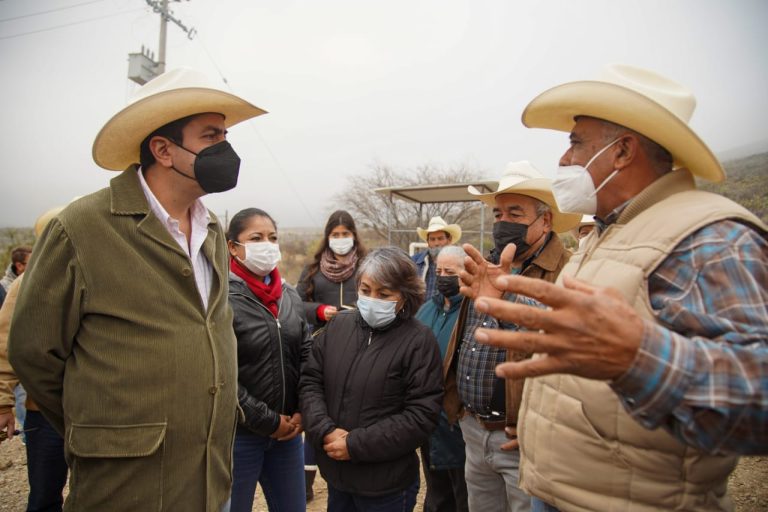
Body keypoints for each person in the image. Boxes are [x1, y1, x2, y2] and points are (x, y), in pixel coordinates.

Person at [469, 64, 768, 511]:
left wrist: (638, 357)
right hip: (558, 492)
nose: (564, 162)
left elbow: (758, 397)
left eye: (574, 143)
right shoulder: (608, 236)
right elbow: (585, 347)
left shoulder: (712, 238)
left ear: (623, 150)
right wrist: (503, 305)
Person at [8, 67, 266, 511]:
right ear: (163, 149)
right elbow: (35, 353)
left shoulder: (211, 230)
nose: (226, 149)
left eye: (225, 135)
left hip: (210, 480)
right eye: (211, 137)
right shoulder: (82, 228)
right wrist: (105, 430)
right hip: (127, 487)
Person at [443, 161, 579, 512]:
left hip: (524, 440)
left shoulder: (569, 271)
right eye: (499, 214)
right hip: (474, 430)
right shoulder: (485, 265)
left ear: (545, 221)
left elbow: (569, 348)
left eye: (515, 213)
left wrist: (538, 422)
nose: (503, 222)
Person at [300, 247, 444, 512]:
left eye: (384, 294)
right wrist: (325, 430)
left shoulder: (418, 341)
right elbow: (311, 382)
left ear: (404, 297)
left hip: (386, 484)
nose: (372, 299)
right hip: (337, 474)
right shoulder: (339, 326)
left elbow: (421, 414)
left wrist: (355, 445)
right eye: (365, 290)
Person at [227, 208, 311, 512]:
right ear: (233, 247)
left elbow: (306, 353)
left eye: (272, 237)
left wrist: (303, 408)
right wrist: (267, 421)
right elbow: (220, 374)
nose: (267, 244)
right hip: (239, 436)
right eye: (256, 237)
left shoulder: (289, 296)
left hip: (288, 434)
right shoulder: (220, 298)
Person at [0, 207, 68, 512]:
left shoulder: (105, 280)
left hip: (99, 410)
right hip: (45, 411)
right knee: (44, 494)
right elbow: (5, 345)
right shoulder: (25, 286)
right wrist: (3, 402)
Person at [296, 209, 367, 499]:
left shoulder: (367, 265)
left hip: (361, 347)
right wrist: (320, 311)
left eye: (345, 234)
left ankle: (355, 465)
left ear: (354, 236)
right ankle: (306, 482)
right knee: (318, 414)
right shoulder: (313, 270)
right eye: (335, 235)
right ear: (327, 237)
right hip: (320, 349)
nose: (340, 239)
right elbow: (296, 305)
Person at [414, 245, 469, 512]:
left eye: (451, 271)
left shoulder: (472, 311)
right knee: (436, 487)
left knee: (462, 491)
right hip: (428, 417)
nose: (444, 276)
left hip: (456, 420)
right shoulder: (426, 310)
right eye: (440, 271)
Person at [412, 216, 462, 299]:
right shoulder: (415, 262)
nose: (436, 243)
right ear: (427, 242)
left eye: (440, 238)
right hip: (420, 310)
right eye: (432, 239)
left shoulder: (460, 262)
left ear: (449, 240)